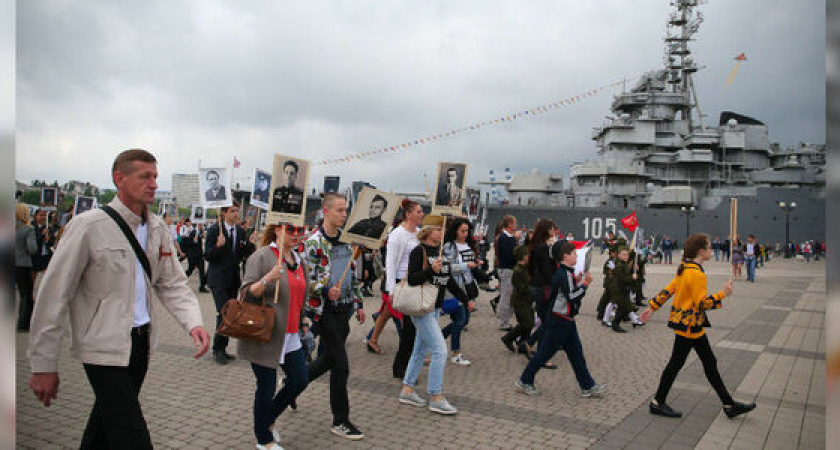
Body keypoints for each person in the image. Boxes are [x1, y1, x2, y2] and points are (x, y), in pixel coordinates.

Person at [28, 149, 210, 449]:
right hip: (102, 346)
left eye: (155, 176)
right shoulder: (88, 226)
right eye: (145, 176)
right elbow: (53, 295)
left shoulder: (157, 228)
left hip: (140, 345)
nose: (153, 183)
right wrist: (43, 363)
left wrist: (194, 323)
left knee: (104, 427)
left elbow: (173, 284)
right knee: (131, 434)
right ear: (119, 179)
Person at [641, 233, 756, 419]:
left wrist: (653, 307)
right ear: (701, 251)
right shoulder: (697, 274)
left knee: (705, 364)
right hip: (690, 327)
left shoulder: (685, 267)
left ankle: (728, 404)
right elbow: (701, 304)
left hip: (687, 325)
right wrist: (723, 294)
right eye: (709, 247)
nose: (711, 250)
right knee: (682, 365)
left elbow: (671, 288)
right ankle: (658, 402)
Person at [239, 223, 310, 450]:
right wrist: (267, 279)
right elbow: (246, 293)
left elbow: (301, 296)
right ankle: (263, 439)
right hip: (265, 333)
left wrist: (303, 320)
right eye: (291, 230)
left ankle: (267, 419)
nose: (297, 235)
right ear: (277, 229)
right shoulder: (261, 257)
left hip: (290, 334)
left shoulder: (299, 261)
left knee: (300, 380)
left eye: (300, 230)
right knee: (266, 386)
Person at [303, 192, 366, 440]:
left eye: (345, 210)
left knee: (328, 359)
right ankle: (340, 420)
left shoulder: (346, 240)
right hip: (324, 311)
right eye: (340, 210)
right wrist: (325, 289)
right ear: (326, 212)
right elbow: (305, 283)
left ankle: (293, 382)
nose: (344, 215)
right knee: (340, 365)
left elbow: (351, 274)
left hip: (345, 309)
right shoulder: (313, 243)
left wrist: (359, 303)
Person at [515, 241, 604, 398]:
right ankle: (524, 381)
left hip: (565, 320)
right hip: (560, 321)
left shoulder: (565, 273)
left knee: (577, 356)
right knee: (543, 354)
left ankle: (587, 386)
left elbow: (566, 292)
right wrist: (585, 285)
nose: (577, 256)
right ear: (565, 256)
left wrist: (578, 282)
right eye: (574, 253)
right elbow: (572, 297)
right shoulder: (564, 274)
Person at [397, 214, 466, 415]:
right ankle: (435, 396)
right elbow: (412, 279)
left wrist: (465, 297)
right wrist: (430, 271)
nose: (442, 233)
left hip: (434, 306)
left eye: (442, 229)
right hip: (421, 307)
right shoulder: (419, 251)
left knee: (420, 349)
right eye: (438, 229)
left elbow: (447, 278)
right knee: (440, 351)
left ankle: (407, 389)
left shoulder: (439, 250)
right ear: (428, 231)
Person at [205, 200, 255, 364]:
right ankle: (217, 349)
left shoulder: (240, 231)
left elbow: (244, 252)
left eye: (237, 211)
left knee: (231, 313)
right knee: (224, 312)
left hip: (233, 278)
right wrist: (218, 246)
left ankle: (223, 347)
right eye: (232, 211)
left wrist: (251, 244)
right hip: (218, 278)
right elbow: (208, 255)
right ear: (224, 213)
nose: (235, 214)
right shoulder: (214, 231)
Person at [384, 200, 424, 371]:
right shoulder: (397, 234)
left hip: (417, 283)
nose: (422, 214)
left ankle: (405, 365)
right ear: (408, 214)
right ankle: (401, 367)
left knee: (413, 328)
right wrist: (391, 289)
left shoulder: (420, 233)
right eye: (419, 211)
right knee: (409, 328)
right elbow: (390, 263)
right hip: (403, 283)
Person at [441, 217, 478, 366]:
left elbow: (471, 262)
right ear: (455, 230)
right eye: (462, 231)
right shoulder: (450, 246)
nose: (465, 233)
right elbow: (448, 267)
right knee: (460, 320)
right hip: (456, 288)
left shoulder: (468, 244)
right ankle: (456, 353)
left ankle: (436, 339)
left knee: (463, 321)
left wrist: (477, 263)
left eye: (467, 231)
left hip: (468, 286)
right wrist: (466, 265)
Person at [501, 246, 535, 356]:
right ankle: (508, 338)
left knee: (529, 323)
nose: (528, 257)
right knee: (526, 323)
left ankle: (522, 344)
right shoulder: (518, 270)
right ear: (523, 257)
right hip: (520, 301)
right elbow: (521, 287)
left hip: (526, 300)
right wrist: (533, 291)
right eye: (527, 255)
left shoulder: (525, 267)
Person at [15, 204, 38, 331]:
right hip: (23, 264)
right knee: (26, 295)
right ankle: (23, 323)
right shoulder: (28, 229)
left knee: (20, 293)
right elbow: (32, 249)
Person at [32, 209, 59, 304]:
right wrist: (42, 235)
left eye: (44, 215)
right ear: (35, 216)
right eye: (41, 215)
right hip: (35, 256)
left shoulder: (48, 228)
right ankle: (31, 297)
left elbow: (52, 242)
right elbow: (33, 242)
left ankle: (42, 297)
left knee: (45, 278)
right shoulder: (32, 227)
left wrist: (49, 239)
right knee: (33, 278)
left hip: (46, 256)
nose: (43, 217)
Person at [496, 215, 518, 331]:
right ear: (509, 224)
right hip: (507, 269)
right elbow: (509, 255)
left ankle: (507, 319)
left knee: (510, 295)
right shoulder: (504, 238)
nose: (516, 225)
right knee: (506, 296)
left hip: (511, 269)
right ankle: (503, 322)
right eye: (514, 223)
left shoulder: (511, 238)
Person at [181, 219, 208, 292]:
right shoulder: (193, 232)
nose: (201, 226)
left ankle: (202, 286)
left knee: (202, 271)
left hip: (199, 255)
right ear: (198, 225)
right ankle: (180, 281)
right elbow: (188, 242)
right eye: (200, 225)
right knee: (190, 270)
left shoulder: (199, 233)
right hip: (192, 255)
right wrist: (193, 240)